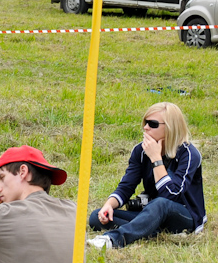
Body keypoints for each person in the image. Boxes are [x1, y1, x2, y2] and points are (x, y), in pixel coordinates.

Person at [86, 102, 205, 250]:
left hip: (183, 215)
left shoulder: (189, 154)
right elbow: (126, 186)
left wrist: (156, 159)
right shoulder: (140, 151)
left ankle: (113, 239)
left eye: (152, 124)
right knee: (97, 217)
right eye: (145, 122)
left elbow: (172, 195)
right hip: (151, 212)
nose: (146, 127)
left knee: (160, 203)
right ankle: (149, 231)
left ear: (170, 127)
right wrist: (109, 205)